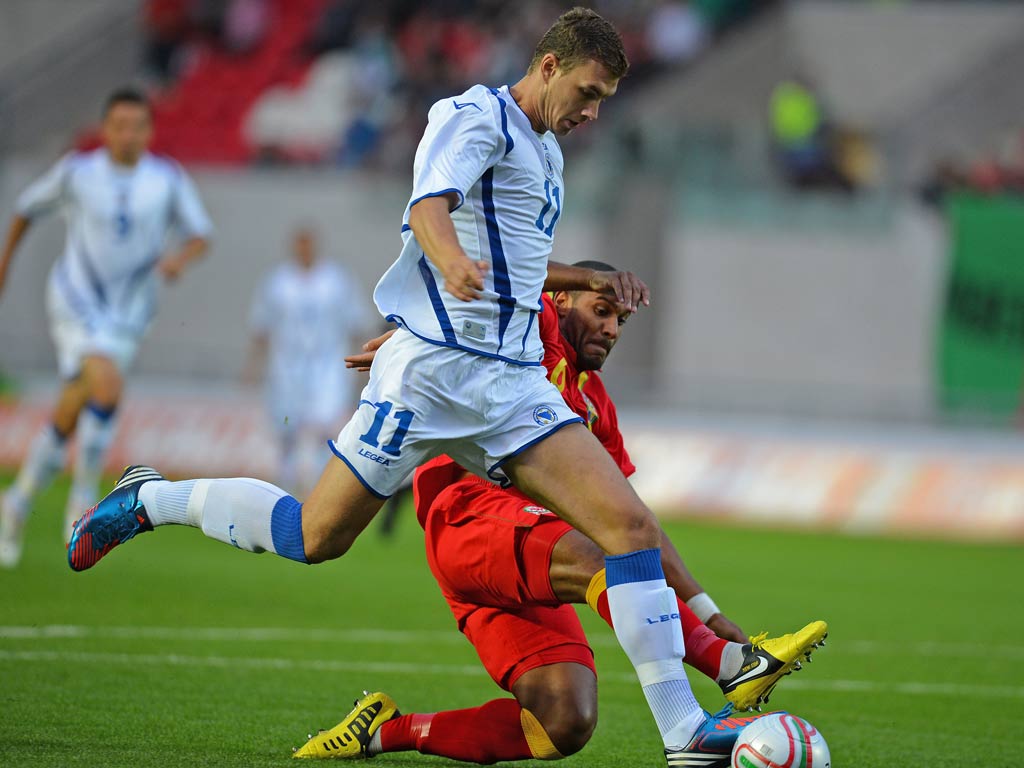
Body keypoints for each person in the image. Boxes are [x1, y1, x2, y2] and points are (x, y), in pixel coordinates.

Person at [68, 10, 733, 762]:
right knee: (312, 538)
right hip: (429, 378)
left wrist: (581, 276)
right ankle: (152, 498)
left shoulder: (546, 151)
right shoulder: (474, 116)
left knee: (629, 529)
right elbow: (428, 208)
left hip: (511, 385)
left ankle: (685, 735)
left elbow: (512, 261)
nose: (593, 111)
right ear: (549, 67)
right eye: (588, 91)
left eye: (604, 98)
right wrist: (446, 263)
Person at [293, 264, 827, 764]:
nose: (613, 328)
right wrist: (421, 342)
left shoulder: (597, 407)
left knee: (562, 721)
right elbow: (509, 273)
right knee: (603, 557)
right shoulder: (533, 337)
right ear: (561, 301)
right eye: (601, 309)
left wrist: (708, 612)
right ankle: (728, 669)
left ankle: (386, 729)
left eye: (620, 319)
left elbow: (635, 526)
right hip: (468, 517)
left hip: (525, 555)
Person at [0, 87, 212, 567]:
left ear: (149, 131)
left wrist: (179, 260)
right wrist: (6, 264)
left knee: (77, 403)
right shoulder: (78, 172)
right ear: (106, 128)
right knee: (107, 386)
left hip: (130, 311)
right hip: (76, 299)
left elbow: (201, 235)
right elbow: (26, 209)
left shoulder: (166, 179)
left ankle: (16, 502)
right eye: (119, 125)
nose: (128, 134)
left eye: (137, 125)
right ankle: (83, 502)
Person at [244, 226, 372, 496]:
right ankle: (285, 484)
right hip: (286, 366)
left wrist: (363, 362)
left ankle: (319, 488)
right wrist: (253, 365)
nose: (303, 250)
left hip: (327, 365)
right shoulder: (278, 281)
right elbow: (262, 326)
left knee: (325, 426)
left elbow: (355, 321)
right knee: (286, 426)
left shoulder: (336, 279)